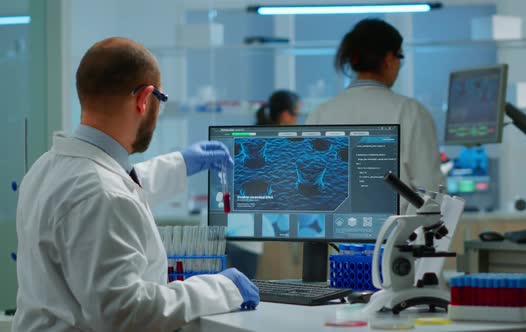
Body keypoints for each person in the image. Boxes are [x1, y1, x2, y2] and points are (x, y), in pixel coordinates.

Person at [14, 37, 259, 332]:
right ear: (144, 98)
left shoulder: (48, 166)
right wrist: (221, 288)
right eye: (161, 100)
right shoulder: (100, 194)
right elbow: (125, 312)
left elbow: (115, 187)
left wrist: (180, 163)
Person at [306, 18, 444, 214]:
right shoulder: (410, 111)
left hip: (338, 239)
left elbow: (311, 189)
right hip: (398, 240)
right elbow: (431, 191)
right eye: (400, 57)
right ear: (389, 59)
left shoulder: (320, 114)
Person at [226, 90, 301, 278]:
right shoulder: (274, 145)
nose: (297, 121)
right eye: (296, 115)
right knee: (241, 289)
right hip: (247, 233)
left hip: (235, 228)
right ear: (285, 115)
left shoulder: (254, 139)